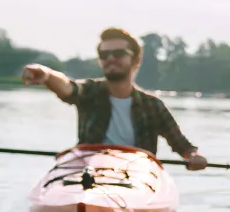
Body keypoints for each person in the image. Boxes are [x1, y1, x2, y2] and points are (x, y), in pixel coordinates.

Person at [21, 27, 207, 169]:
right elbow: (68, 87)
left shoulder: (153, 106)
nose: (110, 58)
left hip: (136, 175)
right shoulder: (90, 92)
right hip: (90, 172)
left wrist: (193, 156)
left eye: (118, 54)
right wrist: (46, 75)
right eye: (104, 55)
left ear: (135, 60)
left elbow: (183, 147)